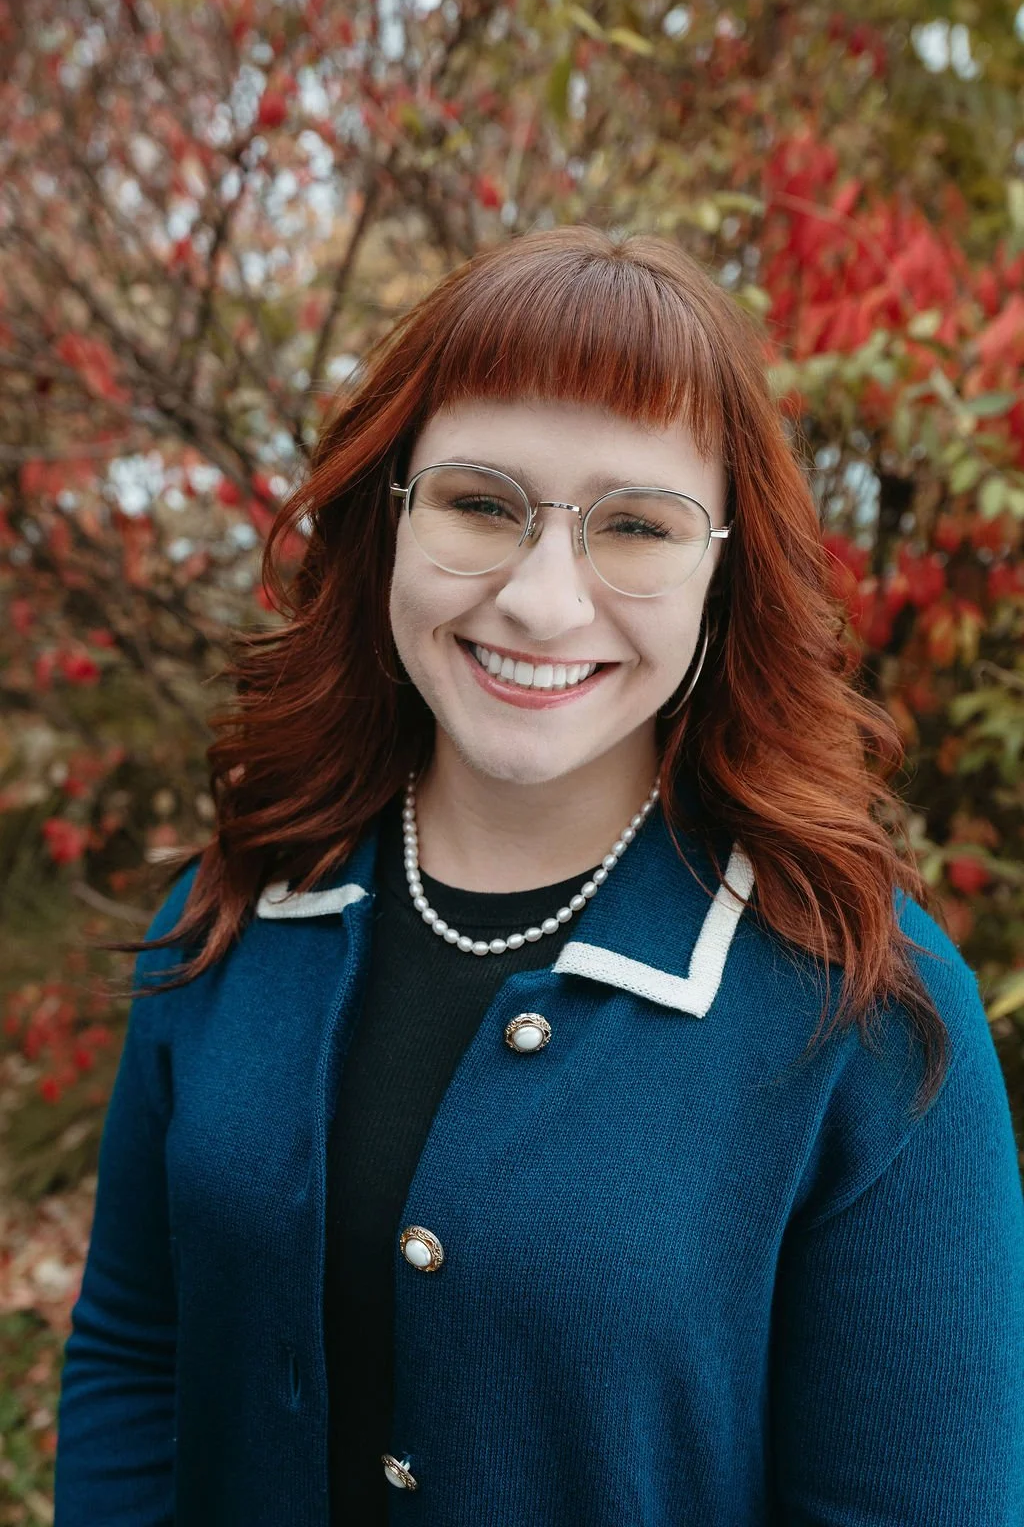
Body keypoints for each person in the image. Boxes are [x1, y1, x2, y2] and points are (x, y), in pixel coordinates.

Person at [54, 225, 1024, 1526]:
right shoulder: (234, 909)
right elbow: (136, 1352)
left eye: (635, 526)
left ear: (724, 570)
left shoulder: (866, 1009)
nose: (541, 599)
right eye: (478, 502)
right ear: (392, 513)